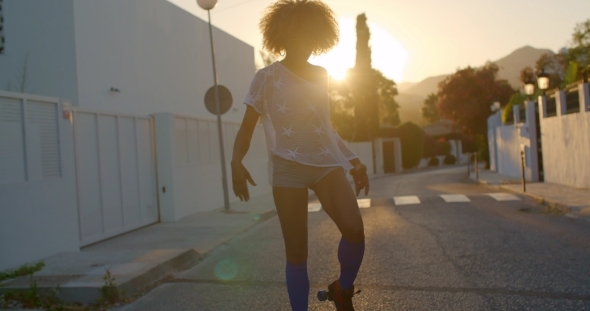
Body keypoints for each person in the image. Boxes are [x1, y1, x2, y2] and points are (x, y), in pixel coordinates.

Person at [231, 1, 369, 310]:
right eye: (300, 36)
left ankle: (341, 289)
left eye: (311, 36)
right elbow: (247, 128)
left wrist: (354, 161)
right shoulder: (265, 77)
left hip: (325, 165)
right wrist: (235, 161)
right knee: (297, 254)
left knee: (355, 230)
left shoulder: (321, 74)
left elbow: (326, 129)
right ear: (284, 35)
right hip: (287, 168)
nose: (305, 44)